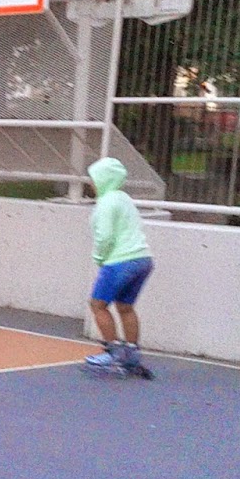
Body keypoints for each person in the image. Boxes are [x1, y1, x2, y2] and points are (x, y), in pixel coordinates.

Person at [84, 156, 153, 370]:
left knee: (98, 305)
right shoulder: (124, 199)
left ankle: (112, 352)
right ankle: (131, 353)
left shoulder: (106, 203)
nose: (91, 183)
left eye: (93, 178)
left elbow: (105, 237)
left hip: (119, 262)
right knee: (125, 307)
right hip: (143, 260)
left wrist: (99, 258)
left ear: (103, 179)